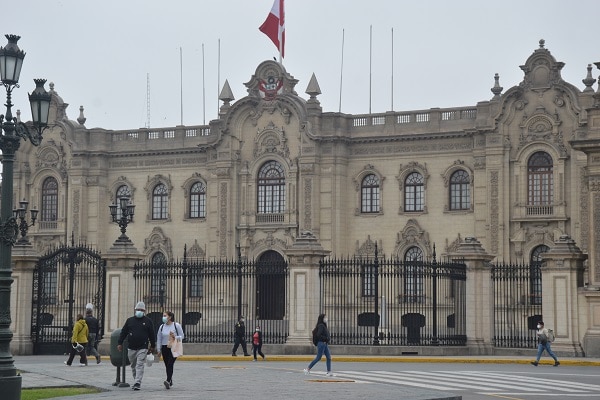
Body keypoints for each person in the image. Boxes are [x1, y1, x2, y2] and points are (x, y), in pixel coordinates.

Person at [117, 301, 156, 391]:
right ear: (135, 310)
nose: (139, 311)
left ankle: (138, 382)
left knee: (140, 364)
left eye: (141, 310)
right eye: (138, 309)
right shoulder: (130, 320)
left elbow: (152, 334)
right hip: (131, 347)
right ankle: (136, 379)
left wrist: (152, 345)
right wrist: (119, 343)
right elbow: (123, 332)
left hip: (143, 347)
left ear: (144, 311)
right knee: (133, 365)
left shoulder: (148, 321)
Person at [156, 311, 184, 389]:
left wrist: (175, 337)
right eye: (163, 316)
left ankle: (168, 380)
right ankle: (170, 380)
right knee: (166, 364)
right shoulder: (162, 327)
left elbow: (182, 336)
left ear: (170, 317)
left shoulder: (176, 325)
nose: (163, 317)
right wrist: (158, 349)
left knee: (170, 363)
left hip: (173, 347)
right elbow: (159, 338)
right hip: (165, 347)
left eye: (165, 316)